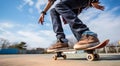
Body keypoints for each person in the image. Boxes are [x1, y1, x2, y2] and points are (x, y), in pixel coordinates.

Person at [38, 0, 104, 51]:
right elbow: (50, 2)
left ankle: (88, 35)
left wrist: (94, 0)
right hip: (69, 5)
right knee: (53, 11)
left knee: (59, 5)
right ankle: (62, 40)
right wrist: (43, 13)